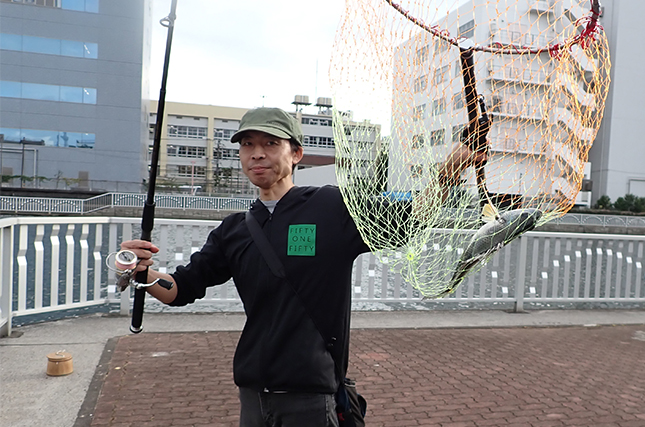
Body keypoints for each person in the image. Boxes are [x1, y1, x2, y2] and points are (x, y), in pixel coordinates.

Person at [120, 107, 485, 426]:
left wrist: (451, 167)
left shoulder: (332, 207)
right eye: (247, 145)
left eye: (270, 144)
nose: (257, 154)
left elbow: (412, 217)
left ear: (296, 153)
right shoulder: (233, 231)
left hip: (311, 392)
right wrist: (142, 273)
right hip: (252, 389)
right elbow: (179, 289)